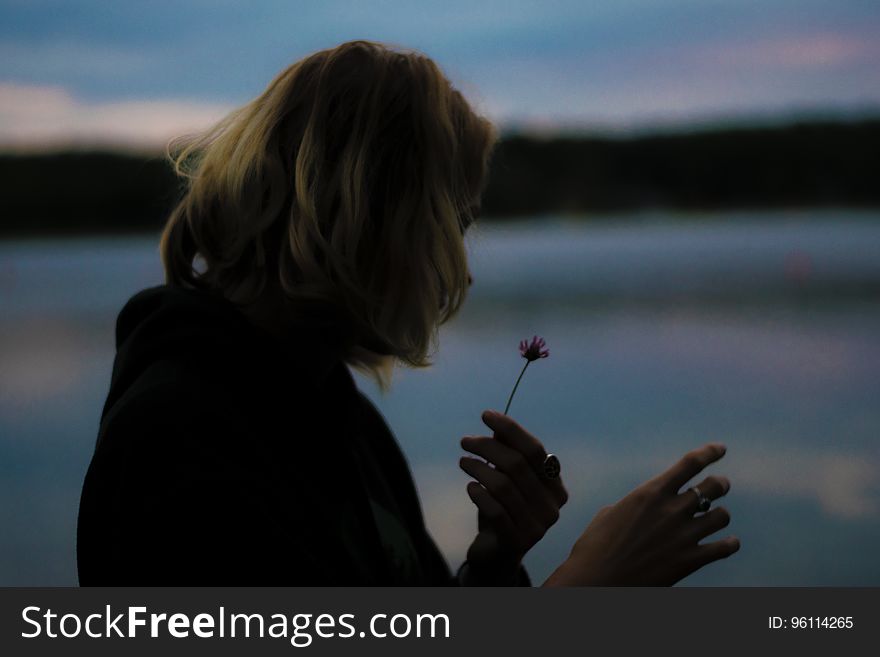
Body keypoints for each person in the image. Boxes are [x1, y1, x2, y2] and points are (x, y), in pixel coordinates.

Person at [76, 40, 739, 586]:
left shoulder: (339, 417)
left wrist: (494, 562)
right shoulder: (176, 442)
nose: (464, 268)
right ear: (370, 218)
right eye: (454, 221)